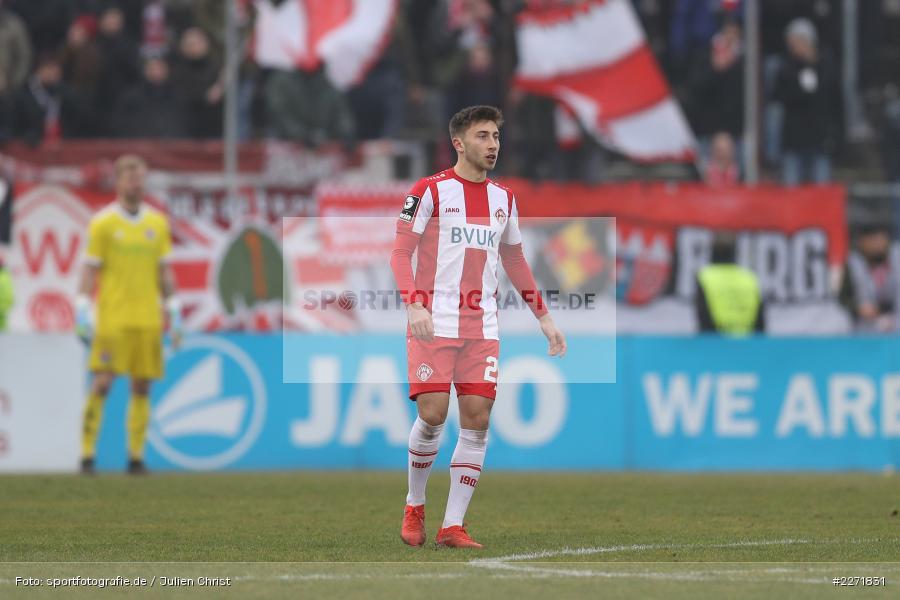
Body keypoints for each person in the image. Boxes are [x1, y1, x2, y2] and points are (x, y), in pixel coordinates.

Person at [390, 105, 566, 549]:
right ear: (459, 143)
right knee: (431, 416)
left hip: (481, 326)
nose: (493, 145)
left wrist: (544, 318)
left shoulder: (504, 199)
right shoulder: (428, 191)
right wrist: (414, 306)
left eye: (496, 137)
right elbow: (400, 253)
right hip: (434, 322)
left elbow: (515, 259)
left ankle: (453, 526)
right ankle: (414, 503)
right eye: (483, 136)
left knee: (477, 421)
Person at [76, 155, 182, 475]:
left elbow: (164, 271)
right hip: (113, 318)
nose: (137, 183)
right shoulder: (103, 223)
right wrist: (82, 306)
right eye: (131, 178)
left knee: (143, 387)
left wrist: (174, 308)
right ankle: (86, 455)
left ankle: (135, 458)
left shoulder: (157, 223)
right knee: (103, 383)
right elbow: (89, 268)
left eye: (141, 178)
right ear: (119, 182)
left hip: (148, 318)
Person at [773, 18, 839, 186]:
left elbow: (832, 98)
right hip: (794, 138)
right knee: (792, 193)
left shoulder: (826, 64)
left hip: (819, 136)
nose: (792, 46)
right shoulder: (786, 66)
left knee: (821, 192)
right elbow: (779, 95)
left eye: (795, 42)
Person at [696, 232, 765, 335]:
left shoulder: (705, 276)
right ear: (735, 252)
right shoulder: (749, 277)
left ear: (712, 251)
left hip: (715, 344)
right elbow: (760, 321)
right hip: (748, 344)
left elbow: (703, 316)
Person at [843, 224, 900, 333]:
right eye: (872, 240)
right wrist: (857, 309)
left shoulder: (897, 256)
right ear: (862, 242)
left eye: (880, 239)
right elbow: (843, 298)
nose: (877, 245)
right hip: (865, 329)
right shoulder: (853, 263)